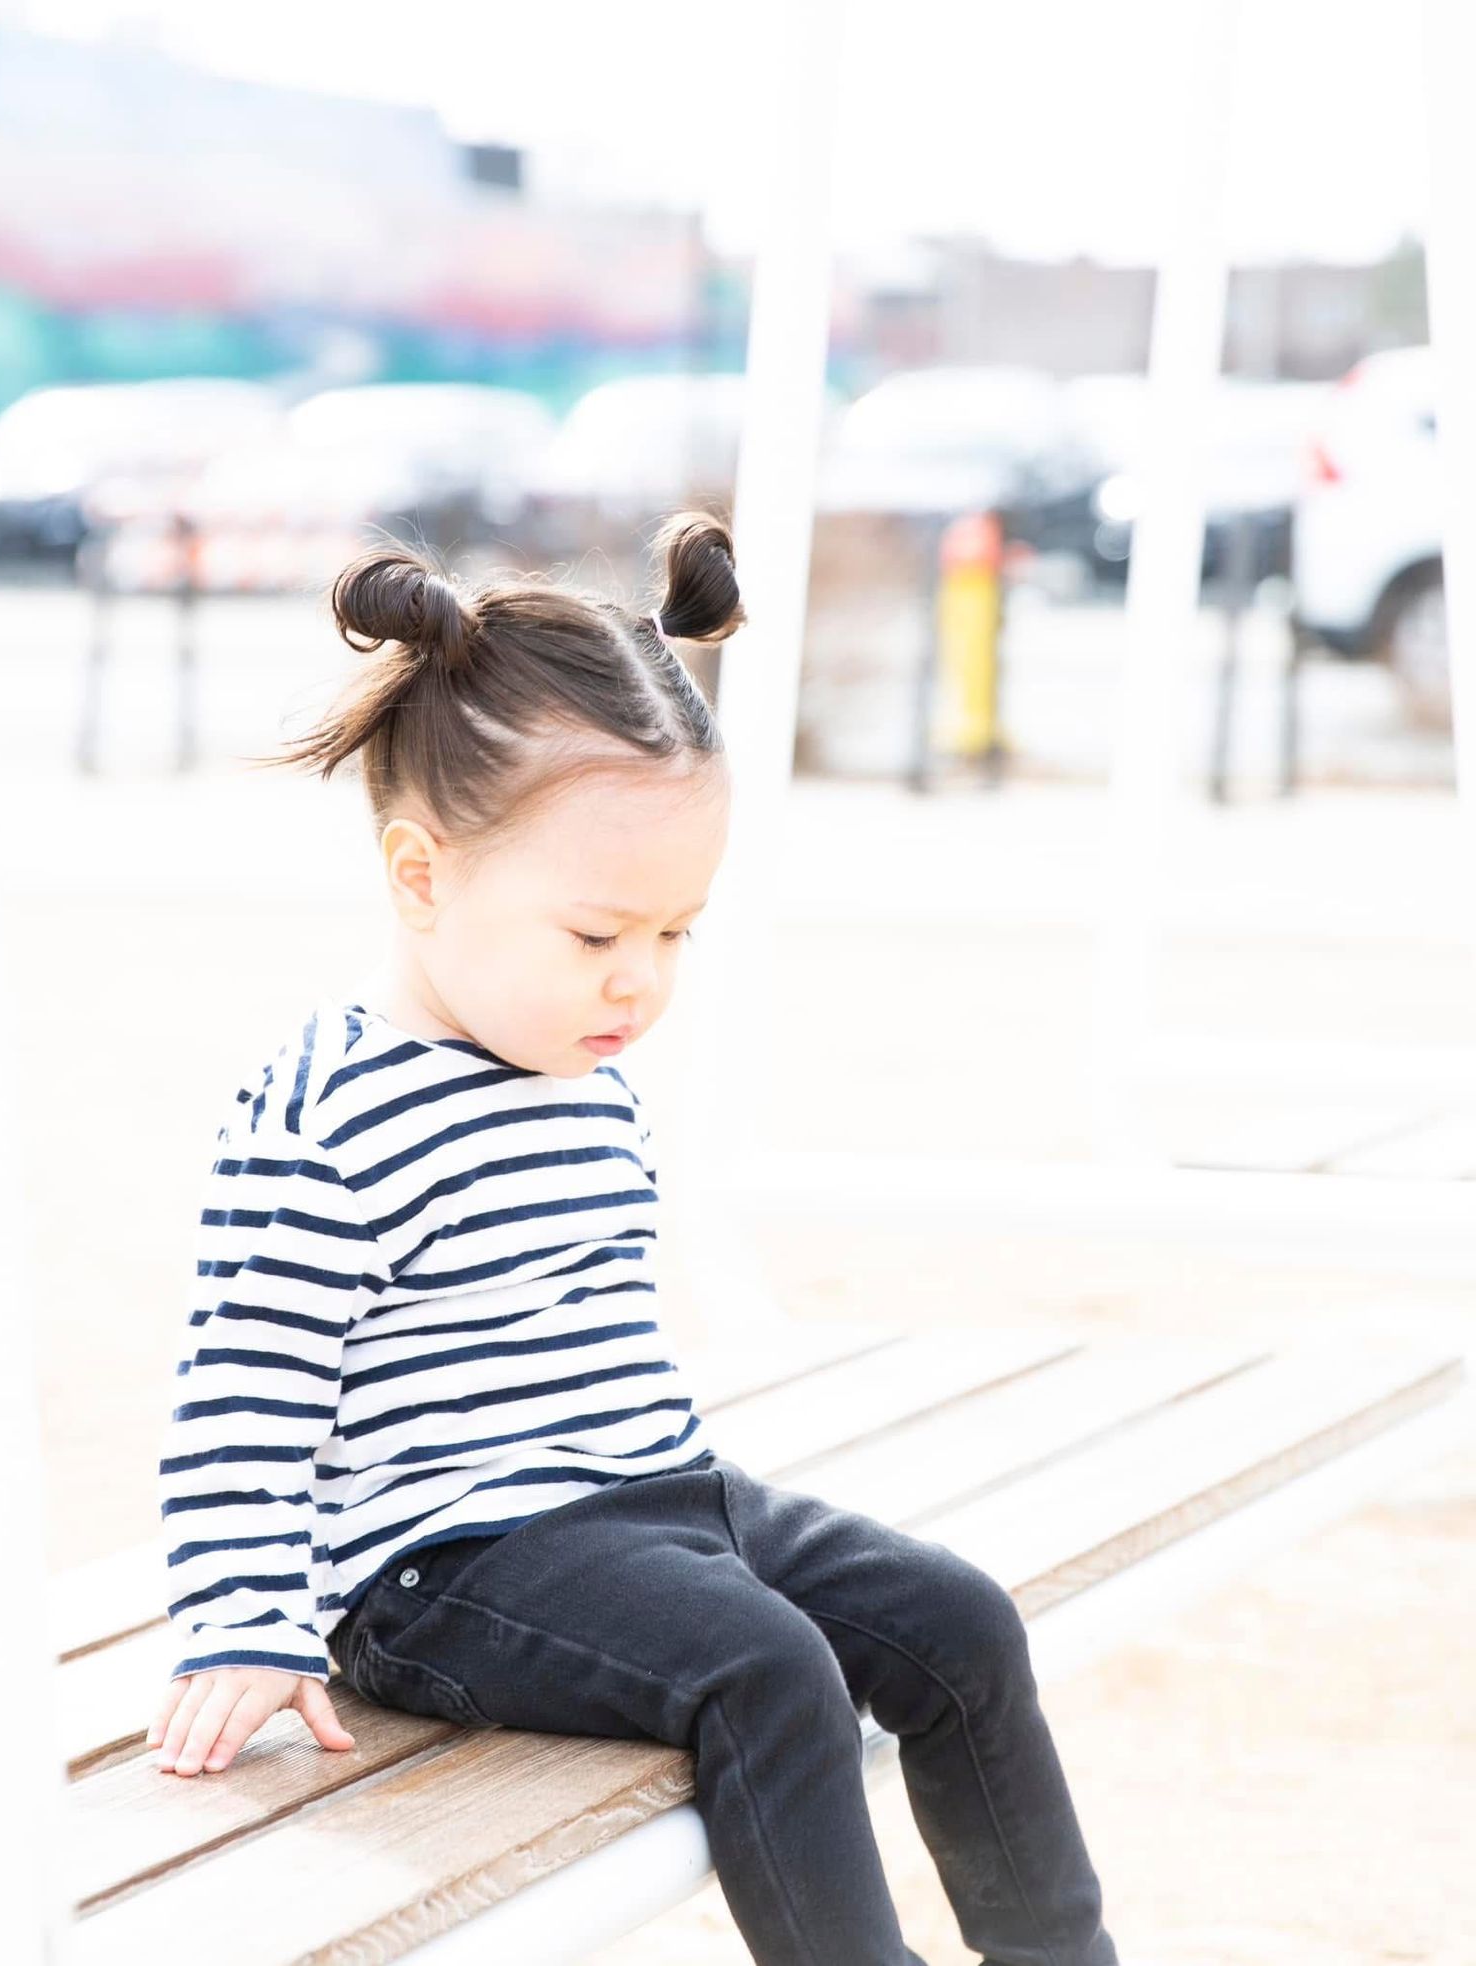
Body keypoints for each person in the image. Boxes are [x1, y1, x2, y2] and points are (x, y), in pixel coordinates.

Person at [143, 512, 1118, 1966]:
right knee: (771, 1668)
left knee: (957, 1620)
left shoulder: (573, 1062)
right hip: (447, 1564)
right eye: (599, 935)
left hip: (654, 1495)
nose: (640, 982)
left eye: (676, 934)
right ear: (423, 878)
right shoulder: (326, 1114)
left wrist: (679, 1517)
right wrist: (241, 1619)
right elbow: (241, 1392)